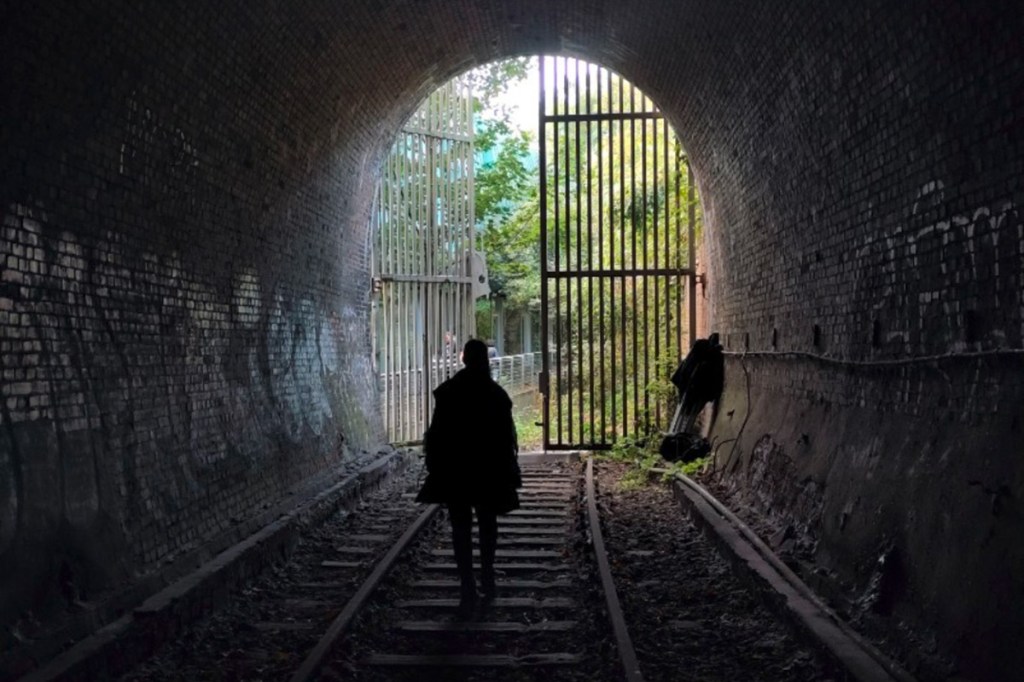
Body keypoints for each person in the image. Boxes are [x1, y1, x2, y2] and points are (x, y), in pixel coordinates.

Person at [416, 338, 521, 618]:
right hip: (486, 473)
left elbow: (436, 435)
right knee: (488, 524)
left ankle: (467, 586)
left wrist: (434, 468)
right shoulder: (496, 394)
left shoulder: (448, 392)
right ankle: (488, 577)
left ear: (464, 359)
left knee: (460, 529)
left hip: (456, 473)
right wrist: (509, 473)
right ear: (485, 359)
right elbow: (506, 440)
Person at [670, 332, 725, 433]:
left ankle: (678, 433)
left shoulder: (698, 353)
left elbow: (684, 372)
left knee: (684, 410)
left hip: (689, 387)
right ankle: (681, 433)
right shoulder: (710, 358)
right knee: (689, 411)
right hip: (695, 389)